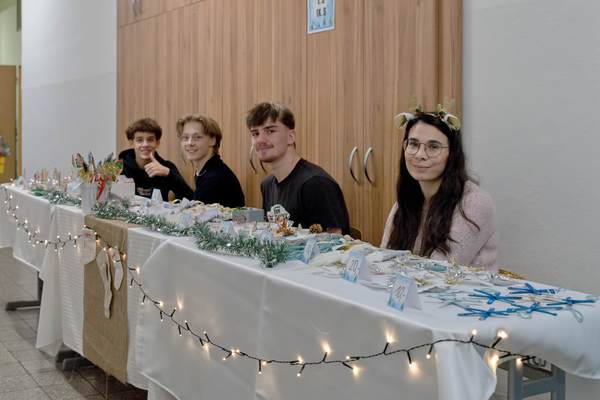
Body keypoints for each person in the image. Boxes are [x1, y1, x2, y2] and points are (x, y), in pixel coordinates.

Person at [380, 106, 498, 271]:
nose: (420, 154)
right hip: (413, 285)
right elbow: (385, 256)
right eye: (413, 144)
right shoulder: (408, 197)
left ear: (452, 154)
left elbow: (439, 270)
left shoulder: (475, 203)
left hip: (457, 287)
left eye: (433, 147)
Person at [247, 102, 349, 234]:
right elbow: (269, 225)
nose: (260, 140)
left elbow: (335, 240)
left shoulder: (316, 184)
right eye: (255, 133)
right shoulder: (267, 185)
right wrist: (233, 217)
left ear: (291, 137)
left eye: (270, 131)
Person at [177, 114, 245, 207]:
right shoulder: (206, 171)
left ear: (213, 140)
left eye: (197, 137)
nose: (189, 143)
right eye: (185, 137)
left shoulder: (215, 177)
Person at [119, 118, 192, 200]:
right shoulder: (119, 167)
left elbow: (190, 199)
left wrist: (168, 174)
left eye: (150, 140)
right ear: (132, 143)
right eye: (139, 140)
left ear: (157, 143)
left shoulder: (167, 167)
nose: (145, 144)